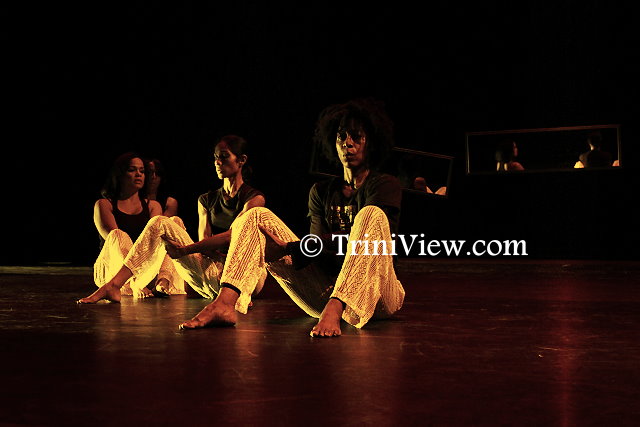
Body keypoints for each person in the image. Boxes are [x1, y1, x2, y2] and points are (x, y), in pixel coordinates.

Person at [169, 98, 406, 337]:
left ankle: (337, 306)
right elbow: (316, 248)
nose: (348, 143)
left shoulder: (384, 185)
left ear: (371, 143)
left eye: (356, 137)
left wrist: (292, 247)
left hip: (378, 294)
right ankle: (224, 303)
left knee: (371, 214)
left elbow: (370, 246)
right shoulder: (321, 191)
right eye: (341, 137)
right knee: (256, 215)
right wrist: (283, 252)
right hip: (325, 292)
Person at [78, 135, 266, 304]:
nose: (217, 162)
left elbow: (233, 237)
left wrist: (186, 250)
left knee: (171, 222)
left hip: (242, 274)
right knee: (163, 222)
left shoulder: (254, 199)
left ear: (241, 160)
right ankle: (116, 284)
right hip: (211, 271)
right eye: (216, 157)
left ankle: (162, 281)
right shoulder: (206, 200)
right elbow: (204, 241)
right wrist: (207, 254)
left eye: (224, 156)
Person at [91, 152, 178, 299]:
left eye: (142, 171)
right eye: (132, 170)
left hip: (146, 269)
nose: (139, 174)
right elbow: (113, 241)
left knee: (173, 223)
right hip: (114, 270)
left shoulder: (153, 206)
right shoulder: (104, 204)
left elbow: (156, 243)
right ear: (120, 175)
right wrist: (135, 277)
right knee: (118, 235)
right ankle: (132, 282)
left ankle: (162, 282)